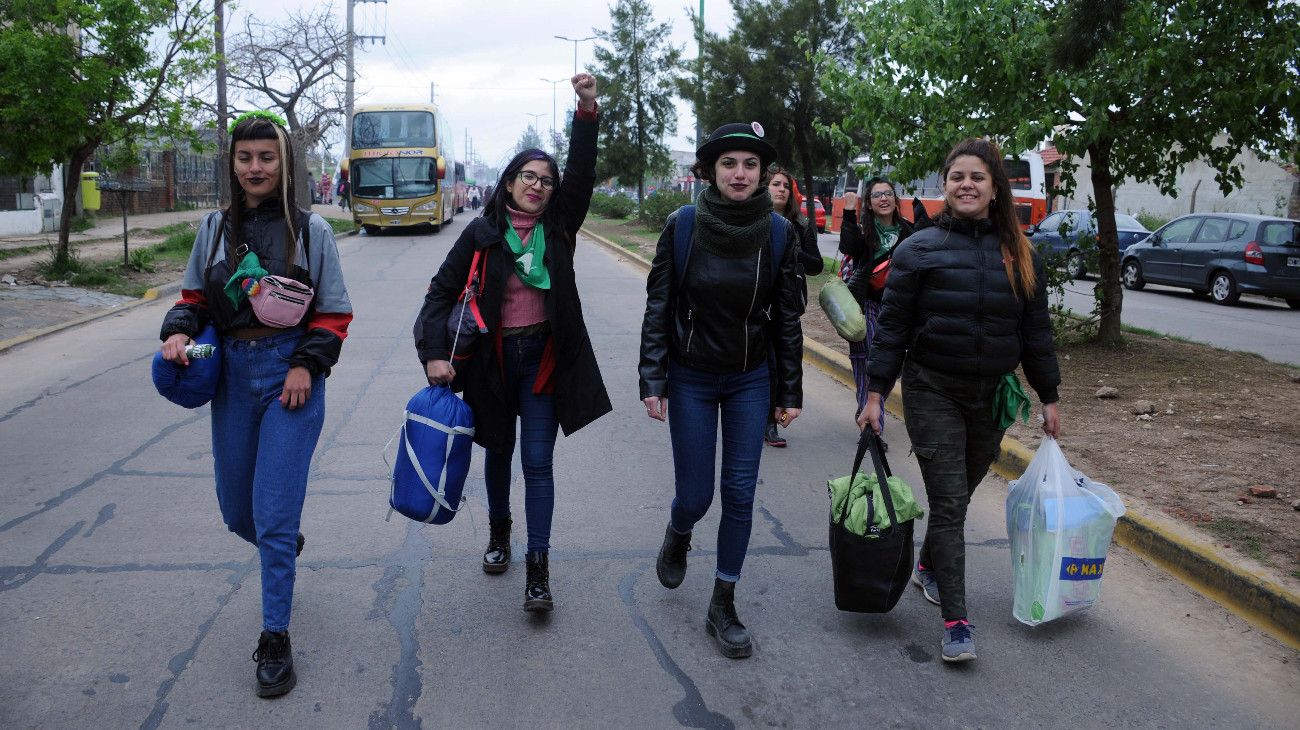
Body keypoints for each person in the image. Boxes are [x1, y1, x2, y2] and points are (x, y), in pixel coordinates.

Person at [158, 111, 353, 697]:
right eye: (245, 158)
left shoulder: (310, 231)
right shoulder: (213, 229)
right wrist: (176, 329)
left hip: (292, 377)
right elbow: (193, 297)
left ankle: (274, 637)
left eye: (267, 157)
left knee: (270, 516)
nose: (255, 167)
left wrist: (305, 364)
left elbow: (335, 313)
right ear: (233, 164)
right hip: (231, 378)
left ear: (284, 163)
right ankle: (282, 543)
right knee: (237, 514)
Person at [858, 137, 1060, 664]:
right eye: (956, 177)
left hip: (992, 395)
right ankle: (956, 621)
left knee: (960, 497)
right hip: (932, 390)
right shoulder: (917, 249)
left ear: (995, 188)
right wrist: (875, 393)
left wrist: (1050, 395)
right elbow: (893, 329)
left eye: (977, 177)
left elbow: (1035, 331)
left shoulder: (1019, 252)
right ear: (944, 186)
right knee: (949, 505)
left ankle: (928, 567)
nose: (966, 185)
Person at [415, 74, 610, 613]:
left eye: (547, 180)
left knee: (538, 464)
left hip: (543, 363)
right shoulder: (481, 233)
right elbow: (439, 293)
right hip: (493, 366)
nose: (539, 186)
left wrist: (586, 109)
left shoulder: (561, 227)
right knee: (497, 451)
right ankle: (499, 533)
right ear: (508, 182)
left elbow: (584, 172)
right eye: (529, 176)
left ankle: (538, 570)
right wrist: (434, 353)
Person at [639, 122, 804, 659]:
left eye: (750, 165)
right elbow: (659, 306)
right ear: (711, 171)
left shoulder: (779, 234)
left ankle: (723, 602)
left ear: (763, 175)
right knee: (697, 494)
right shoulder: (683, 226)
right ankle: (679, 530)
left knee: (739, 491)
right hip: (690, 375)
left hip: (749, 378)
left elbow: (786, 321)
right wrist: (654, 378)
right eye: (729, 163)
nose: (740, 173)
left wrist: (790, 390)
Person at [838, 177, 916, 434]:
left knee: (890, 365)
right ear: (869, 204)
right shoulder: (864, 232)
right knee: (866, 362)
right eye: (876, 195)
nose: (883, 198)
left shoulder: (908, 232)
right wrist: (849, 213)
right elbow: (847, 247)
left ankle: (866, 407)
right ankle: (872, 426)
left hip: (897, 309)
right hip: (865, 305)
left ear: (895, 200)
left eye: (888, 193)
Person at [763, 165, 823, 447]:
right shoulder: (754, 220)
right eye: (776, 184)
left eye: (786, 186)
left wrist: (791, 248)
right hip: (756, 304)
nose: (781, 190)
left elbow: (816, 265)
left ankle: (770, 423)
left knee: (779, 364)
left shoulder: (799, 225)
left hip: (786, 306)